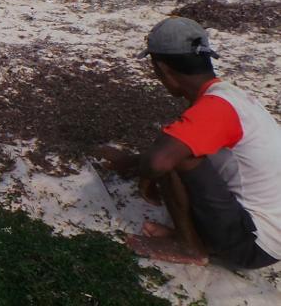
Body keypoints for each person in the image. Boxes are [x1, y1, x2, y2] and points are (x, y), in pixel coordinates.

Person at [98, 17, 281, 269]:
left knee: (174, 153)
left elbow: (158, 161)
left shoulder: (214, 108)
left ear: (162, 69)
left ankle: (189, 246)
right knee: (177, 143)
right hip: (268, 234)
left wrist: (147, 174)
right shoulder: (233, 97)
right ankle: (197, 237)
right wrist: (129, 162)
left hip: (251, 245)